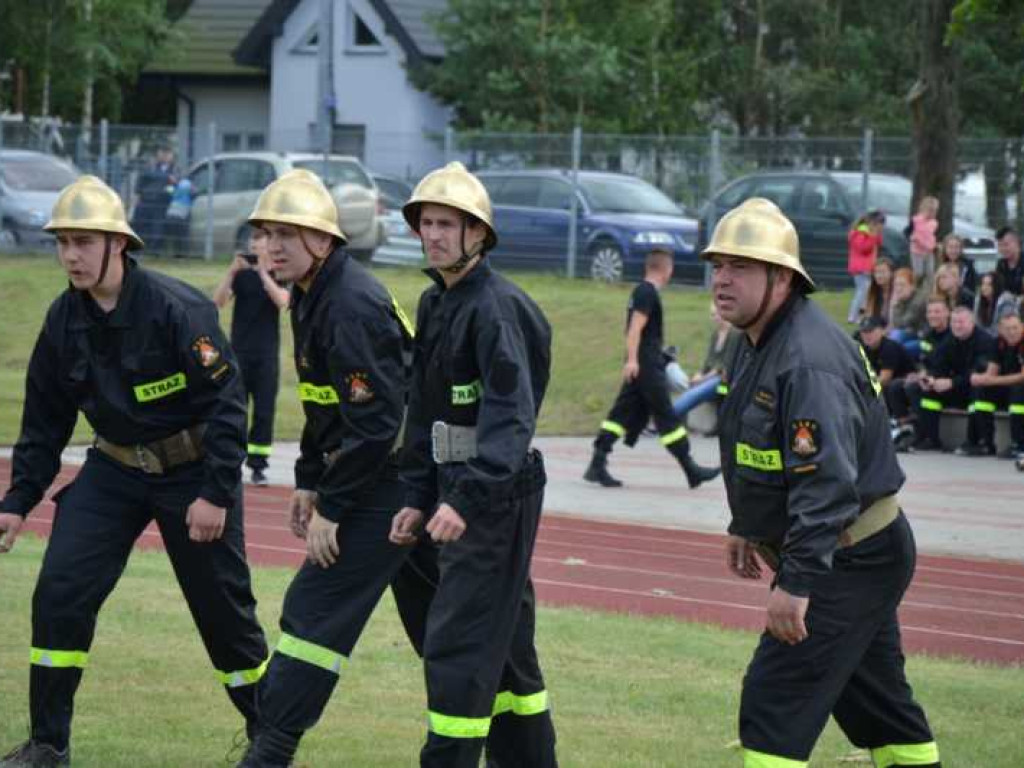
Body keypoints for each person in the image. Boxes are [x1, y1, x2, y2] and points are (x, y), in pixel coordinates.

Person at [0, 176, 268, 768]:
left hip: (193, 472)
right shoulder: (61, 322)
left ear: (118, 245)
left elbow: (227, 402)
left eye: (83, 242)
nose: (70, 255)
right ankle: (48, 744)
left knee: (225, 617)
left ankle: (269, 741)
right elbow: (45, 423)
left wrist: (217, 492)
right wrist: (17, 501)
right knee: (59, 593)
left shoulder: (178, 310)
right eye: (62, 242)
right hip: (114, 469)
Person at [703, 197, 940, 768]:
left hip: (848, 553)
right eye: (717, 265)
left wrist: (798, 580)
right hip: (847, 550)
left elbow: (827, 484)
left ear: (781, 277)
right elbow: (751, 445)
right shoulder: (753, 339)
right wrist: (747, 524)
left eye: (739, 266)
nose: (722, 280)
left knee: (773, 701)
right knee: (879, 707)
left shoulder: (807, 360)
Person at [234, 170, 416, 767]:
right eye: (266, 234)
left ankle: (271, 750)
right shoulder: (312, 296)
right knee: (452, 628)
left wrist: (332, 509)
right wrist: (309, 478)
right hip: (385, 472)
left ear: (324, 239)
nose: (273, 246)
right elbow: (323, 402)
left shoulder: (349, 304)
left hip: (398, 478)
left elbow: (376, 424)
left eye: (289, 233)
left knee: (315, 607)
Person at [389, 161, 559, 768]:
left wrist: (465, 499)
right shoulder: (436, 304)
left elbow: (510, 419)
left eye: (446, 224)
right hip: (452, 492)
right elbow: (423, 410)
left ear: (478, 235)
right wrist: (414, 493)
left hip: (495, 498)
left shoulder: (497, 310)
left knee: (459, 644)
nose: (432, 235)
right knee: (509, 654)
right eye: (425, 224)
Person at [583, 247, 720, 488]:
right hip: (646, 366)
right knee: (666, 415)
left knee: (621, 413)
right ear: (666, 269)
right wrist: (634, 360)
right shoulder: (647, 292)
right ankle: (691, 469)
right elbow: (635, 328)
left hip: (643, 363)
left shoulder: (641, 291)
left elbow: (637, 331)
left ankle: (597, 463)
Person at [212, 229, 290, 487]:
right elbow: (218, 302)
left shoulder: (279, 275)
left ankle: (258, 466)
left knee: (264, 411)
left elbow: (282, 302)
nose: (255, 250)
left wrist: (263, 274)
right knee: (237, 409)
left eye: (260, 245)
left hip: (266, 354)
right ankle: (231, 461)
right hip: (239, 353)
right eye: (252, 245)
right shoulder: (241, 276)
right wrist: (232, 271)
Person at [908, 306, 996, 453]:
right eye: (954, 322)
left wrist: (951, 382)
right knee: (926, 391)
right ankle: (930, 439)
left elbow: (977, 373)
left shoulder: (985, 341)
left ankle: (981, 442)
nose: (957, 326)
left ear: (972, 322)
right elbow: (938, 364)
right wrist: (931, 379)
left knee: (978, 391)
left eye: (961, 322)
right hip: (958, 387)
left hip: (977, 386)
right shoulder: (950, 340)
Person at [967, 312, 1024, 459]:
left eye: (1015, 328)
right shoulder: (998, 342)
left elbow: (1022, 377)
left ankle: (1020, 445)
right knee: (981, 391)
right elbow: (992, 371)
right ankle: (985, 443)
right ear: (1000, 330)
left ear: (1022, 327)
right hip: (1007, 387)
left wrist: (991, 380)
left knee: (1019, 392)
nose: (1011, 332)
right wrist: (980, 379)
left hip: (1020, 388)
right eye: (1007, 329)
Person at [671, 301, 741, 421]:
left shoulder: (735, 333)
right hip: (711, 378)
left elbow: (723, 367)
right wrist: (700, 374)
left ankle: (666, 418)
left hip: (725, 382)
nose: (715, 318)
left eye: (717, 314)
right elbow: (709, 361)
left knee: (694, 393)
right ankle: (672, 417)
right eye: (712, 315)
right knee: (687, 384)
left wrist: (703, 378)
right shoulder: (716, 334)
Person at [131, 145, 177, 254]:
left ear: (172, 155)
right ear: (158, 154)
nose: (165, 155)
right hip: (146, 201)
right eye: (162, 152)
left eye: (167, 153)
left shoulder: (175, 169)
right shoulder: (150, 167)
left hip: (162, 204)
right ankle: (138, 250)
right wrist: (137, 197)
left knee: (157, 229)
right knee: (140, 226)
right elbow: (140, 182)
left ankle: (154, 252)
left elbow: (176, 184)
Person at [846, 210, 884, 323]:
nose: (880, 227)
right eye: (878, 224)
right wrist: (873, 236)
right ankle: (853, 316)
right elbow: (863, 249)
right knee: (862, 291)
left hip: (868, 267)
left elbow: (879, 244)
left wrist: (877, 235)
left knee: (866, 292)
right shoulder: (860, 233)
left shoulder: (870, 233)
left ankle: (862, 315)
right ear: (871, 223)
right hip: (860, 268)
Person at [887, 267, 926, 354]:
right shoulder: (903, 300)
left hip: (928, 343)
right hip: (912, 336)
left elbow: (904, 323)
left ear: (912, 286)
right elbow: (896, 325)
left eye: (902, 285)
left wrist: (895, 306)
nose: (898, 288)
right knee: (895, 341)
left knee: (901, 347)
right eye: (896, 285)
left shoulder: (919, 300)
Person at [908, 195, 939, 286]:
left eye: (934, 211)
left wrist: (934, 244)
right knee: (918, 273)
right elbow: (907, 232)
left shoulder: (934, 223)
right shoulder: (916, 221)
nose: (932, 213)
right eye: (930, 210)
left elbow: (932, 235)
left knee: (930, 273)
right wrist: (912, 238)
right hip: (917, 250)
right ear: (923, 209)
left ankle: (928, 290)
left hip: (929, 250)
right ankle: (915, 286)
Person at [164, 176, 193, 257]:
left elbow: (175, 194)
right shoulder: (175, 185)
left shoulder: (185, 183)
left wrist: (171, 186)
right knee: (175, 233)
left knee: (181, 233)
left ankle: (182, 254)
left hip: (181, 210)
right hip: (174, 211)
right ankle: (176, 253)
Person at [863, 256, 895, 323]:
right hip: (877, 325)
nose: (878, 276)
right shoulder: (873, 289)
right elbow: (868, 314)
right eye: (876, 272)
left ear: (891, 273)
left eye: (882, 272)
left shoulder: (897, 290)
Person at [994, 226, 1023, 298]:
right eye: (1000, 245)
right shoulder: (1001, 264)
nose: (1002, 249)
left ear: (1016, 242)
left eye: (1006, 244)